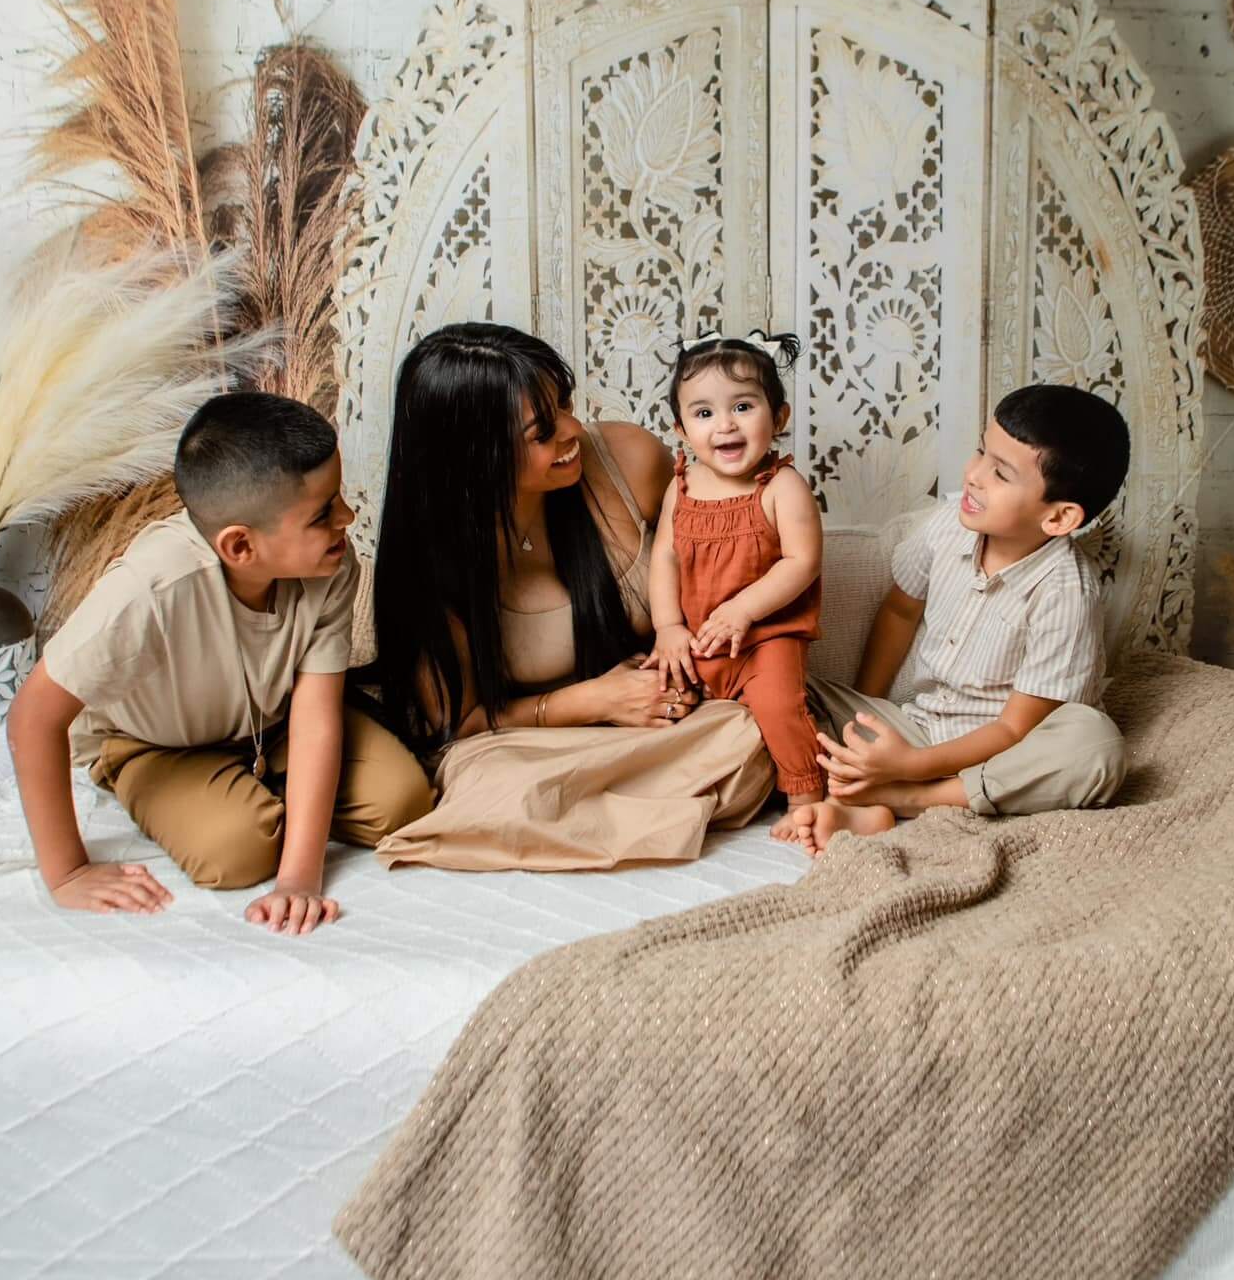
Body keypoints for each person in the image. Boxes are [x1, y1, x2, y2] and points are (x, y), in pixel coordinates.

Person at [8, 392, 431, 935]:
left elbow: (316, 712)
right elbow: (32, 716)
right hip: (158, 744)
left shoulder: (331, 564)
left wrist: (299, 879)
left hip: (274, 725)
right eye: (325, 512)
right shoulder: (152, 587)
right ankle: (236, 795)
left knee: (403, 802)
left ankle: (273, 787)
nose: (348, 518)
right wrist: (67, 872)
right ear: (239, 546)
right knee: (237, 852)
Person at [370, 322, 773, 872]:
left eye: (564, 405)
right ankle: (649, 806)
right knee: (498, 786)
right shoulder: (434, 563)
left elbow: (732, 565)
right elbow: (456, 727)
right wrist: (596, 701)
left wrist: (676, 661)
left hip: (664, 728)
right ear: (474, 456)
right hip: (534, 745)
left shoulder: (630, 461)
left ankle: (621, 812)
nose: (573, 429)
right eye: (542, 431)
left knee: (750, 730)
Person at [799, 383, 1130, 859]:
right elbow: (899, 610)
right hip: (915, 728)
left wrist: (908, 769)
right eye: (980, 451)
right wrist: (868, 723)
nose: (973, 476)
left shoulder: (1065, 591)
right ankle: (864, 789)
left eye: (1000, 473)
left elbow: (1015, 731)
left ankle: (906, 799)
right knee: (777, 684)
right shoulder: (948, 525)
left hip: (996, 756)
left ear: (1058, 518)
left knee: (1096, 747)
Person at [648, 332, 824, 823]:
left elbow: (801, 562)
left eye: (743, 406)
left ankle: (806, 798)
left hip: (765, 637)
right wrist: (667, 628)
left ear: (780, 417)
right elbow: (664, 557)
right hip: (699, 637)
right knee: (656, 696)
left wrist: (743, 610)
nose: (724, 424)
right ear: (682, 430)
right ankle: (671, 793)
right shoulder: (680, 486)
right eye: (704, 414)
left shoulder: (782, 487)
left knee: (776, 704)